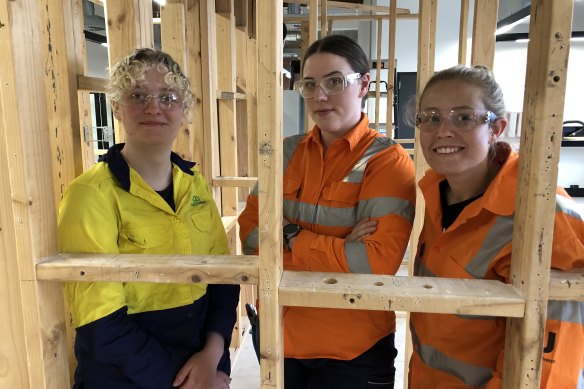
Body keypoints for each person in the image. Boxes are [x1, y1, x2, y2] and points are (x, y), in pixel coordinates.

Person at [238, 34, 416, 388]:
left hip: (352, 352)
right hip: (280, 338)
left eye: (335, 81)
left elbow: (372, 263)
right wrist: (340, 246)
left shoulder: (387, 162)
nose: (319, 96)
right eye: (309, 84)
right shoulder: (285, 154)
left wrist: (290, 235)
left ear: (363, 84)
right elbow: (250, 237)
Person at [58, 48, 240, 389]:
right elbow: (102, 327)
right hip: (125, 376)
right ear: (116, 107)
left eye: (168, 97)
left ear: (184, 110)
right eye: (137, 95)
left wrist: (214, 354)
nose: (153, 107)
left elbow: (223, 277)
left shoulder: (193, 183)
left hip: (199, 359)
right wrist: (191, 382)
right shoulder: (91, 194)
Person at [409, 64, 584, 388]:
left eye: (463, 117)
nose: (443, 130)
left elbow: (550, 368)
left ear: (496, 128)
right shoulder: (435, 193)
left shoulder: (542, 213)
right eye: (431, 117)